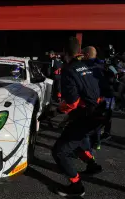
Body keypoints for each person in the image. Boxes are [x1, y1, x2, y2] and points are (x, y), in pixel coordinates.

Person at [51, 37, 103, 197]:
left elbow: (72, 103)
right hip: (98, 113)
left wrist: (55, 112)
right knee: (78, 140)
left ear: (65, 52)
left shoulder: (69, 70)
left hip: (86, 116)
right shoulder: (87, 66)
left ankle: (77, 186)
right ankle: (92, 165)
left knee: (59, 152)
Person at [81, 46, 115, 147]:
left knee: (93, 121)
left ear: (87, 54)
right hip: (109, 96)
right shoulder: (103, 64)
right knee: (104, 117)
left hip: (98, 97)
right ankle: (99, 140)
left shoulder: (87, 65)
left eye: (83, 54)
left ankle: (90, 145)